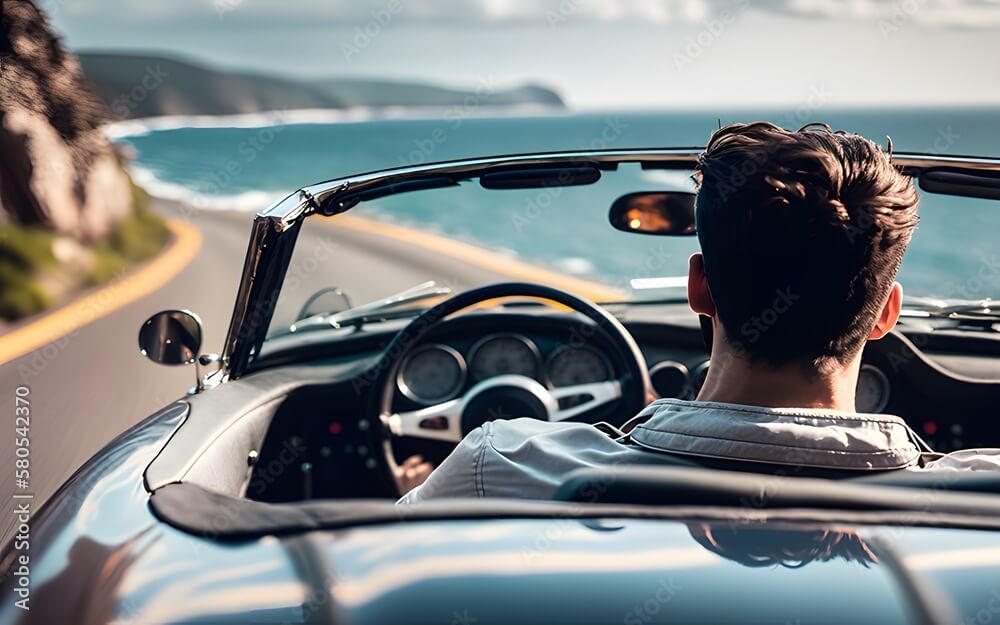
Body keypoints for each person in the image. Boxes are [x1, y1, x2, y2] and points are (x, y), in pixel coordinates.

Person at [397, 121, 1000, 504]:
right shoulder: (982, 497)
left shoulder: (498, 470)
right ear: (885, 313)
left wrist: (418, 494)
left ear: (699, 288)